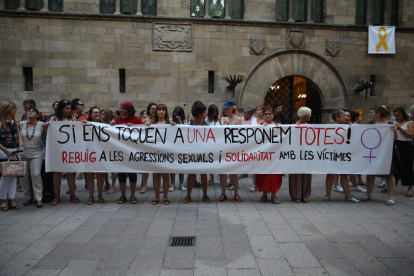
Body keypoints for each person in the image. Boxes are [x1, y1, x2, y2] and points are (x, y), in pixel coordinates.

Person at [361, 105, 398, 205]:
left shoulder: (389, 124)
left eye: (372, 112)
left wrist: (394, 130)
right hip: (372, 153)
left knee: (389, 175)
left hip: (386, 153)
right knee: (370, 173)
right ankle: (368, 194)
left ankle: (391, 197)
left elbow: (395, 139)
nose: (370, 114)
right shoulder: (369, 124)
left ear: (378, 113)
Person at [47, 100, 79, 205]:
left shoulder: (72, 118)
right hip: (57, 149)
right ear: (61, 109)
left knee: (70, 172)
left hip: (70, 148)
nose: (69, 110)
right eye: (67, 108)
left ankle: (72, 194)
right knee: (57, 172)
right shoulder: (53, 119)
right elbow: (47, 135)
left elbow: (77, 132)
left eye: (70, 108)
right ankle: (56, 195)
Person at [110, 101, 142, 204]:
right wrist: (111, 126)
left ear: (127, 109)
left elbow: (143, 133)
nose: (119, 110)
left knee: (133, 174)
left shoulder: (136, 119)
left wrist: (134, 128)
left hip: (133, 151)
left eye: (121, 108)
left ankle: (133, 195)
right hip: (121, 151)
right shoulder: (118, 119)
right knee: (122, 173)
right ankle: (123, 195)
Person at [324, 110, 359, 203]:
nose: (347, 117)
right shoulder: (330, 128)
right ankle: (327, 194)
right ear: (337, 117)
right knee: (331, 174)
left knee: (344, 174)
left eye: (347, 116)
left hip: (344, 154)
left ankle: (348, 195)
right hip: (333, 153)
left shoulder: (348, 127)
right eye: (344, 116)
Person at [146, 104, 175, 205]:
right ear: (156, 112)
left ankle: (165, 196)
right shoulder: (152, 123)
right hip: (155, 152)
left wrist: (173, 125)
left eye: (163, 110)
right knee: (156, 175)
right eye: (159, 110)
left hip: (166, 153)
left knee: (165, 175)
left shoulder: (168, 123)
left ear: (166, 112)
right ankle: (157, 196)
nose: (161, 112)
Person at [182, 101, 211, 204]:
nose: (205, 115)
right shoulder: (188, 124)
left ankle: (205, 195)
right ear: (199, 114)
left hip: (203, 153)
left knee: (204, 174)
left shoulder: (206, 125)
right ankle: (188, 195)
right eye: (204, 113)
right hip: (192, 152)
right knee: (191, 174)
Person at [20, 108, 47, 208]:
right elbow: (19, 137)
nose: (30, 112)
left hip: (37, 153)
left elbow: (47, 136)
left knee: (36, 175)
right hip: (23, 153)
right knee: (24, 177)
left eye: (33, 111)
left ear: (37, 115)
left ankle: (38, 198)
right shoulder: (22, 124)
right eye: (28, 111)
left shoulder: (41, 124)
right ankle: (27, 197)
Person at [255, 107, 282, 204]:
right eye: (266, 114)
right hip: (264, 156)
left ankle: (274, 195)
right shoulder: (260, 126)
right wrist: (262, 127)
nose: (268, 116)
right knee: (264, 174)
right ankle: (264, 194)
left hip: (275, 156)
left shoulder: (278, 125)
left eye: (270, 114)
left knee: (274, 175)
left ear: (273, 115)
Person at [0, 101, 24, 211]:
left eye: (15, 108)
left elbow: (18, 135)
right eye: (12, 108)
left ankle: (11, 198)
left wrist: (21, 146)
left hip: (14, 150)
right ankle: (3, 199)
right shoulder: (1, 123)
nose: (14, 110)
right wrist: (4, 150)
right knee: (5, 176)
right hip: (4, 151)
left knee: (14, 175)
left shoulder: (14, 122)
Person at [219, 99, 243, 202]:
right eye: (224, 108)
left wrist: (228, 125)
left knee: (234, 172)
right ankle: (223, 193)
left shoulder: (238, 120)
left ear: (232, 108)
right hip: (225, 148)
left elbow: (240, 135)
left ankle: (236, 194)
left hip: (234, 148)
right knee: (223, 172)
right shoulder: (223, 119)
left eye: (227, 108)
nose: (225, 110)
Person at [82, 107, 106, 205]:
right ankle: (91, 196)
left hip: (100, 152)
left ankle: (100, 195)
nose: (97, 114)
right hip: (89, 152)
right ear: (90, 114)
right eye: (94, 112)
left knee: (100, 175)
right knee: (89, 174)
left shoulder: (104, 125)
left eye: (98, 112)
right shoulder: (85, 124)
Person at [289, 107, 312, 203]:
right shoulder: (293, 126)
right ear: (305, 115)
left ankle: (305, 195)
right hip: (296, 154)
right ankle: (296, 195)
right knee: (296, 174)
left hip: (306, 154)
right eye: (309, 114)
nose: (310, 116)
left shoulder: (310, 127)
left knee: (306, 174)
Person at [393, 107, 414, 197]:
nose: (397, 117)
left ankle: (410, 187)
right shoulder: (393, 123)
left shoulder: (409, 123)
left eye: (398, 115)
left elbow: (412, 135)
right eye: (395, 116)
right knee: (395, 166)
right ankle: (392, 185)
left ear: (403, 114)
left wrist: (401, 129)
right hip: (396, 144)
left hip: (406, 145)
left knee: (407, 166)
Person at [139, 102, 157, 194]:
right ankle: (144, 185)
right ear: (149, 110)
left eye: (155, 108)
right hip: (147, 145)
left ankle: (157, 185)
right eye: (152, 108)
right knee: (145, 167)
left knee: (157, 166)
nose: (154, 110)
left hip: (157, 145)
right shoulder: (145, 120)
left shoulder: (159, 120)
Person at [169, 106, 187, 192]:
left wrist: (180, 121)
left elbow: (185, 130)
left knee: (181, 165)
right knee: (172, 165)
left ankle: (181, 184)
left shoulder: (185, 121)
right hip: (172, 146)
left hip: (181, 146)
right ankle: (172, 184)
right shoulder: (170, 120)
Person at [348, 111, 367, 189]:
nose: (361, 118)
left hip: (359, 147)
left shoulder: (358, 126)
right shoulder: (353, 126)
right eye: (360, 117)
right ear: (357, 118)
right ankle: (350, 181)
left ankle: (359, 179)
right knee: (353, 164)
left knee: (359, 164)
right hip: (354, 147)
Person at [101, 108, 117, 194]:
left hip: (113, 146)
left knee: (113, 167)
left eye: (103, 114)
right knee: (104, 167)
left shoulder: (114, 123)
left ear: (108, 115)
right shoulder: (100, 123)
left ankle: (113, 185)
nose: (101, 116)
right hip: (103, 146)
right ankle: (106, 183)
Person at [205, 104, 220, 185]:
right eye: (213, 112)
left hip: (218, 143)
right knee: (210, 160)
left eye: (216, 111)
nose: (215, 113)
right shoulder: (206, 120)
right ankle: (211, 177)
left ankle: (220, 176)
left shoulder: (219, 120)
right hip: (209, 143)